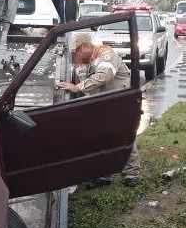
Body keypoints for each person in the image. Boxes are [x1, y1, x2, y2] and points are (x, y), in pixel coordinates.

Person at [56, 33, 141, 187]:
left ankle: (131, 174)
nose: (75, 56)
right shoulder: (82, 63)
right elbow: (79, 82)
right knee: (100, 139)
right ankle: (102, 175)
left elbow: (105, 75)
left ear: (87, 47)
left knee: (124, 136)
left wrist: (78, 87)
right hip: (101, 106)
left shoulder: (106, 54)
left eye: (77, 51)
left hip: (118, 103)